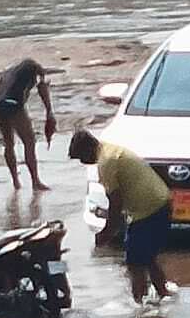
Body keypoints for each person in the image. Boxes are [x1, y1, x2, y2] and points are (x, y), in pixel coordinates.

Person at [68, 130, 175, 305]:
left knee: (134, 262)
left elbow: (115, 203)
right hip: (160, 203)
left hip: (148, 210)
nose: (82, 162)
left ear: (88, 149)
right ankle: (162, 294)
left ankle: (139, 306)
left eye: (81, 157)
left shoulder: (107, 162)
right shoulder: (110, 151)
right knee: (147, 257)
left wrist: (107, 232)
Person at [0, 59, 56, 191]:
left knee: (9, 144)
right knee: (29, 141)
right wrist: (49, 112)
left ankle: (16, 182)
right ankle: (35, 181)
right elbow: (43, 90)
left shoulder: (9, 74)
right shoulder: (31, 75)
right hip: (12, 104)